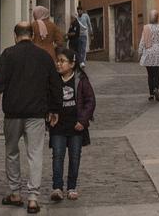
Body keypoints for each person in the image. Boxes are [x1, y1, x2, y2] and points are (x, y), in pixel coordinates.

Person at [0, 21, 57, 213]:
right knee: (35, 154)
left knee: (11, 152)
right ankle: (33, 198)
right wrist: (54, 109)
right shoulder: (44, 56)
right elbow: (54, 84)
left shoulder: (8, 54)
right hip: (36, 114)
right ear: (33, 36)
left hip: (13, 113)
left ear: (15, 35)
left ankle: (15, 193)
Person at [46, 48, 95, 202]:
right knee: (58, 156)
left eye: (62, 61)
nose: (59, 64)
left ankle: (72, 186)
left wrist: (83, 121)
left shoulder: (81, 80)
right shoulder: (53, 80)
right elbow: (46, 99)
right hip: (58, 126)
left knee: (75, 157)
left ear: (72, 64)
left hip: (76, 126)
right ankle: (57, 187)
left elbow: (90, 101)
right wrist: (48, 114)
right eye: (57, 61)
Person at [136, 11, 159, 102]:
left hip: (148, 52)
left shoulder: (145, 28)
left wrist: (139, 53)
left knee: (150, 75)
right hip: (158, 52)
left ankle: (151, 94)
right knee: (157, 73)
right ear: (157, 17)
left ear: (150, 18)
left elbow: (142, 41)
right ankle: (156, 88)